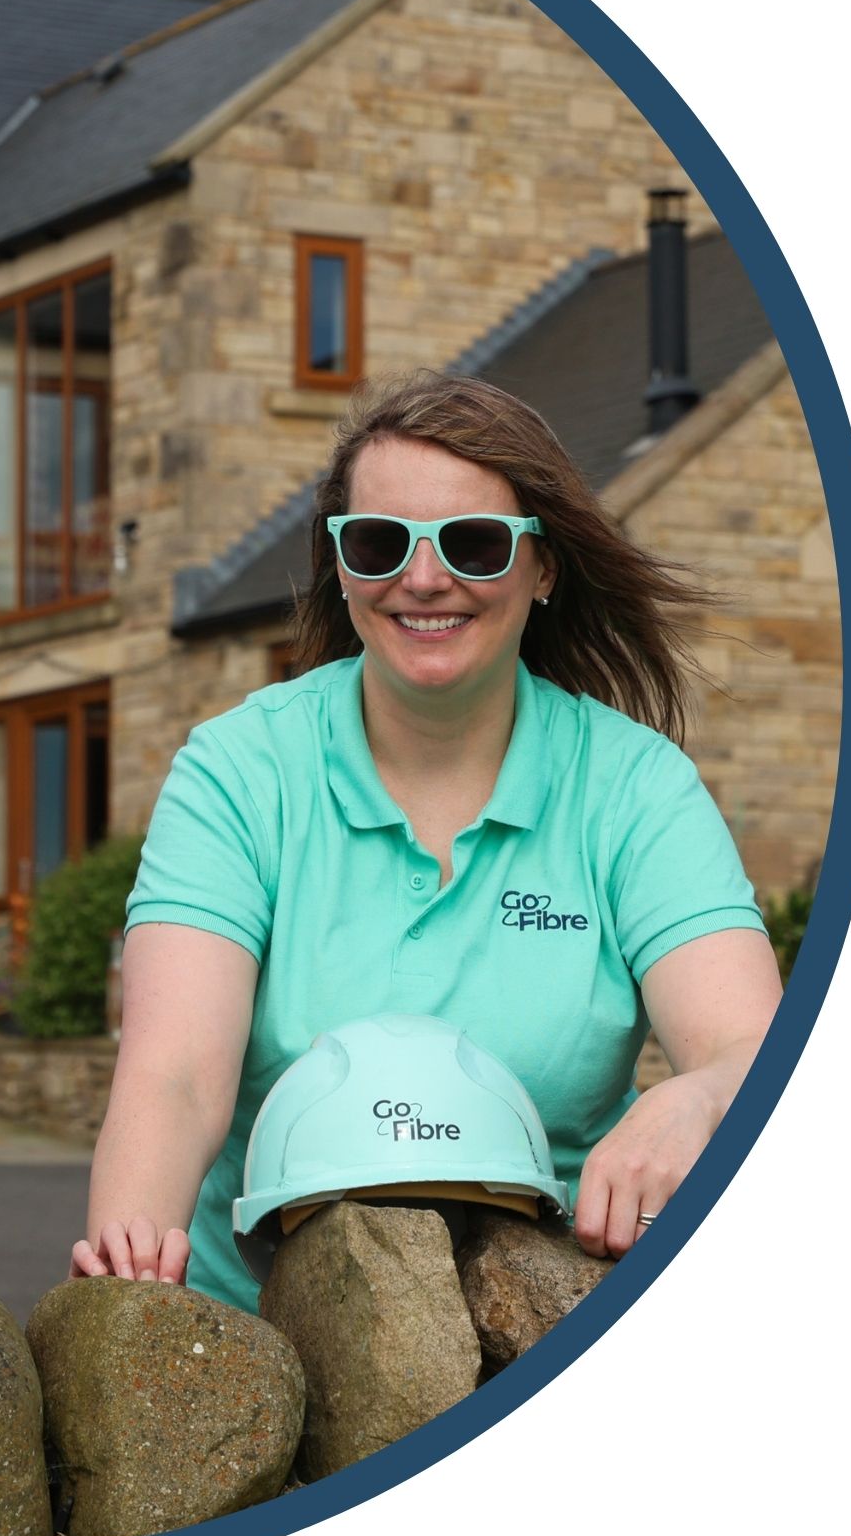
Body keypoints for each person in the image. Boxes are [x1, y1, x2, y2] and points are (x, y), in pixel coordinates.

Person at [74, 371, 781, 1313]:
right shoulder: (240, 770)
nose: (423, 577)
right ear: (341, 564)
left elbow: (755, 1049)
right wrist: (132, 1297)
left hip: (539, 1337)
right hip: (251, 1340)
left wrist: (696, 1098)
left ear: (544, 568)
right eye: (379, 542)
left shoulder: (635, 788)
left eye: (475, 543)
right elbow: (175, 1077)